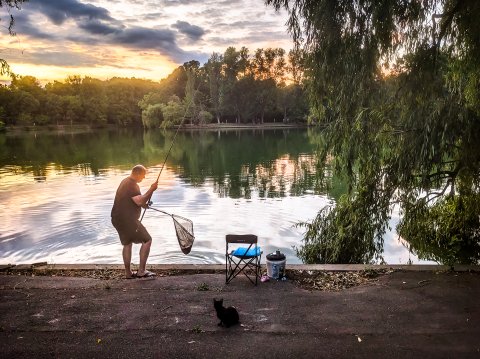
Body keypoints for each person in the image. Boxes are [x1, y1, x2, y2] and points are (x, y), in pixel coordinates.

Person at [111, 164, 158, 279]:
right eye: (143, 175)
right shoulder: (131, 185)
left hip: (117, 219)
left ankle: (128, 274)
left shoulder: (125, 182)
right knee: (147, 240)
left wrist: (144, 205)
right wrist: (151, 189)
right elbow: (139, 201)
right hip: (128, 220)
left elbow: (137, 201)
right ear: (137, 173)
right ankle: (141, 271)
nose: (144, 178)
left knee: (127, 243)